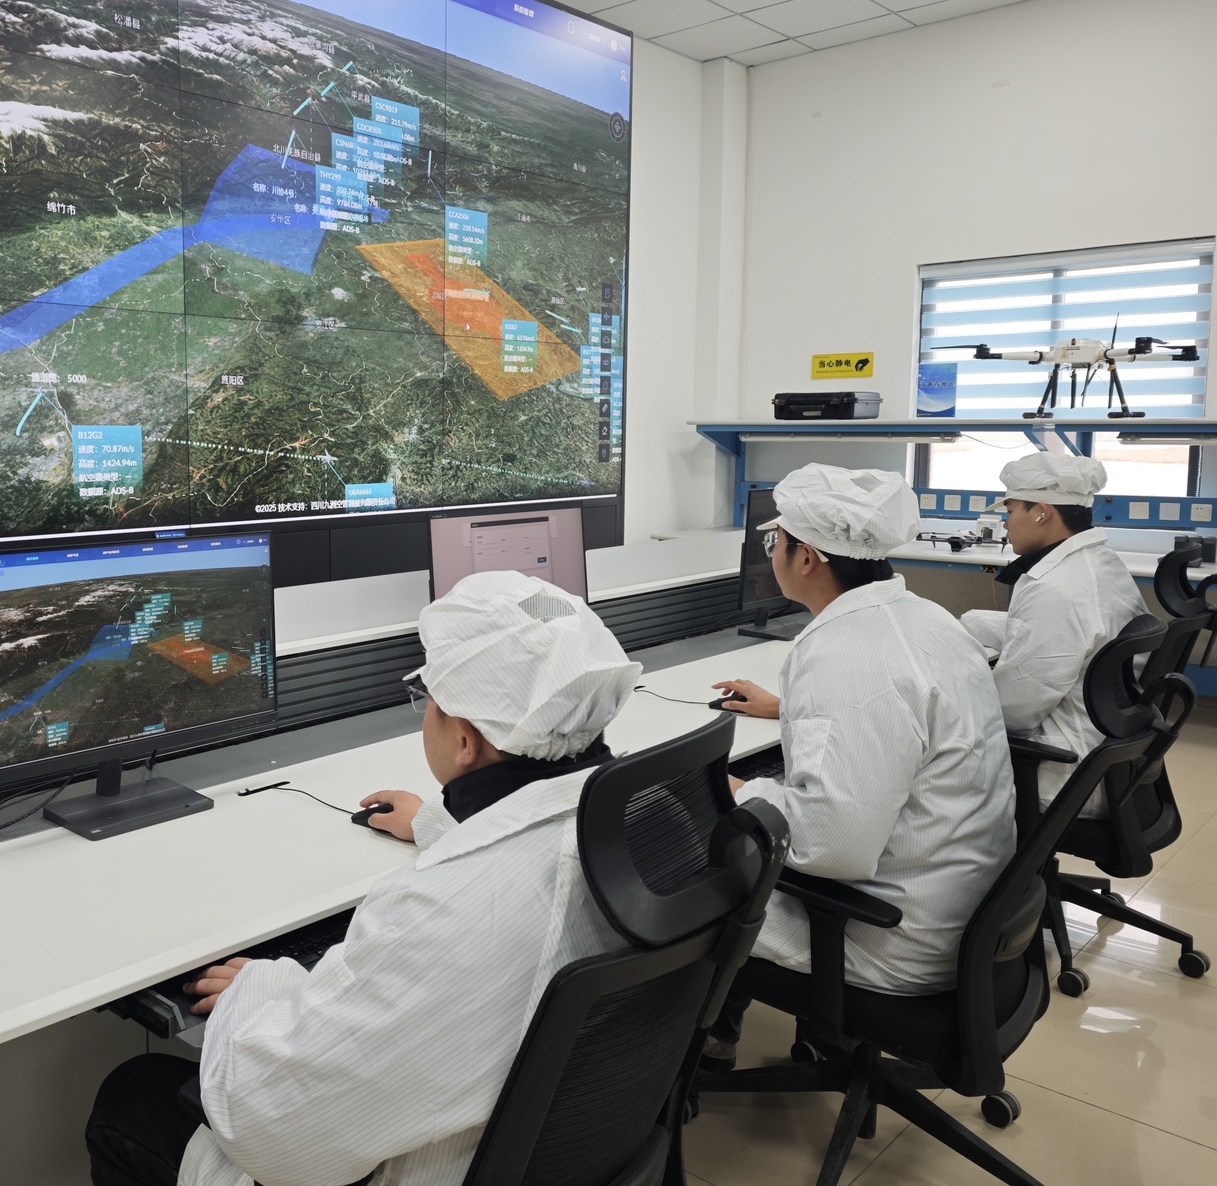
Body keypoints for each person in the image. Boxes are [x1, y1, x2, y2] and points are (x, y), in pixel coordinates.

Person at [85, 571, 644, 1186]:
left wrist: (265, 985)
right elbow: (534, 844)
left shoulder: (441, 910)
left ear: (463, 739)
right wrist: (440, 825)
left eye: (428, 699)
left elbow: (274, 1131)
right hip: (580, 1148)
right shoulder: (653, 815)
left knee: (132, 1097)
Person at [703, 463, 1015, 1069]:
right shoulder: (924, 618)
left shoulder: (844, 655)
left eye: (775, 543)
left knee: (687, 853)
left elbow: (829, 848)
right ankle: (718, 1031)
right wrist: (793, 710)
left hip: (893, 937)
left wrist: (740, 790)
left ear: (807, 557)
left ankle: (701, 1047)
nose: (772, 555)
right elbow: (899, 713)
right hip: (966, 910)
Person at [959, 453, 1146, 814]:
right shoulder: (1097, 562)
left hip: (1062, 772)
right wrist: (966, 625)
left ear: (1042, 513)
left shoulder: (1056, 589)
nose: (1006, 524)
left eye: (1010, 511)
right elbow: (1075, 631)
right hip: (1109, 749)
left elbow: (1013, 711)